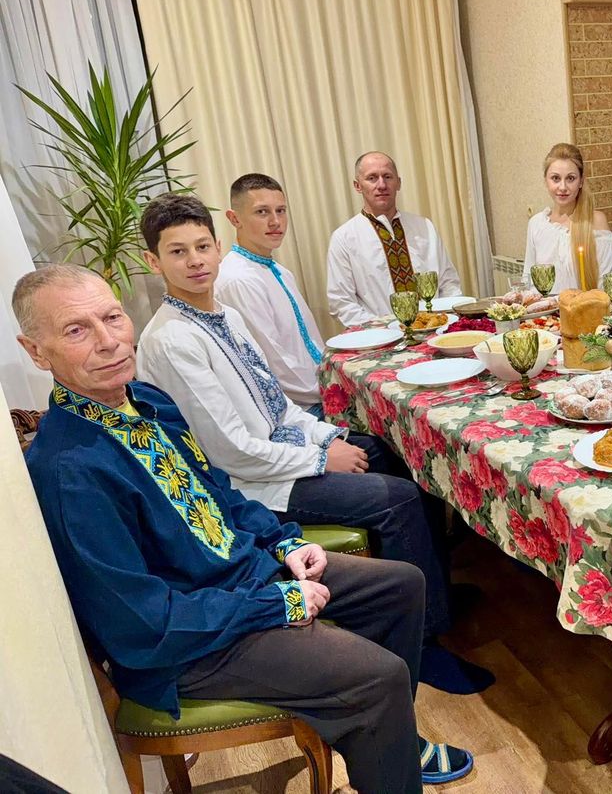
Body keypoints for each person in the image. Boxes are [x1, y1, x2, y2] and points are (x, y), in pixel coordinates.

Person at [14, 264, 473, 792]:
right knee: (379, 675)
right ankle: (378, 728)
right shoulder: (69, 471)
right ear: (37, 351)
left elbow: (220, 492)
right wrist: (278, 604)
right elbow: (143, 624)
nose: (108, 341)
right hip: (188, 645)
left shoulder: (148, 401)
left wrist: (283, 542)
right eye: (76, 330)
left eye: (112, 317)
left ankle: (386, 739)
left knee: (402, 585)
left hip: (240, 578)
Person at [134, 194, 492, 694]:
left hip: (279, 453)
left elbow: (276, 406)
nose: (194, 260)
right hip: (251, 484)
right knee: (399, 498)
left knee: (399, 453)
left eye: (201, 246)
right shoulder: (173, 340)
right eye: (177, 252)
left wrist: (331, 437)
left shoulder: (224, 316)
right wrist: (323, 457)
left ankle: (435, 596)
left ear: (217, 246)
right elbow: (231, 452)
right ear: (154, 261)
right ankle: (425, 640)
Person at [215, 173, 324, 413]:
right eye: (262, 212)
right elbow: (274, 365)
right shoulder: (238, 280)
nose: (275, 221)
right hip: (299, 409)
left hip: (318, 392)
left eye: (281, 211)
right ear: (234, 218)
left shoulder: (279, 271)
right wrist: (331, 391)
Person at [327, 151, 462, 327]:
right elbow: (341, 303)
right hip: (380, 336)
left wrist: (448, 323)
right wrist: (385, 328)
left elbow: (449, 283)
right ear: (358, 186)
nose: (381, 185)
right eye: (372, 178)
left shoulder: (424, 227)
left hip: (435, 330)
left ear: (398, 183)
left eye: (387, 176)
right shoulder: (344, 238)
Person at [522, 142, 612, 292]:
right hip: (544, 308)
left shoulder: (595, 221)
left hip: (587, 306)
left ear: (581, 181)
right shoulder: (536, 224)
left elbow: (607, 286)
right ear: (545, 181)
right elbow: (528, 281)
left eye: (570, 178)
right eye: (555, 178)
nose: (563, 187)